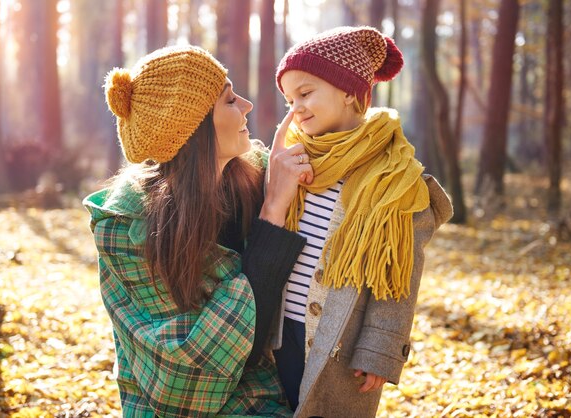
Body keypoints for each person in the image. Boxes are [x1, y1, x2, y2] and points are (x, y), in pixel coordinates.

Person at [83, 45, 314, 417]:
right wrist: (273, 211)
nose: (247, 105)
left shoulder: (253, 175)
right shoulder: (126, 228)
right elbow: (195, 372)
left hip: (265, 393)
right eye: (228, 100)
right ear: (193, 128)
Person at [270, 26, 454, 417]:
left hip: (340, 340)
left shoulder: (395, 178)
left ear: (350, 92)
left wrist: (381, 347)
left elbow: (400, 273)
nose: (296, 108)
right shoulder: (293, 162)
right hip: (276, 330)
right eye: (288, 99)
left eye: (305, 93)